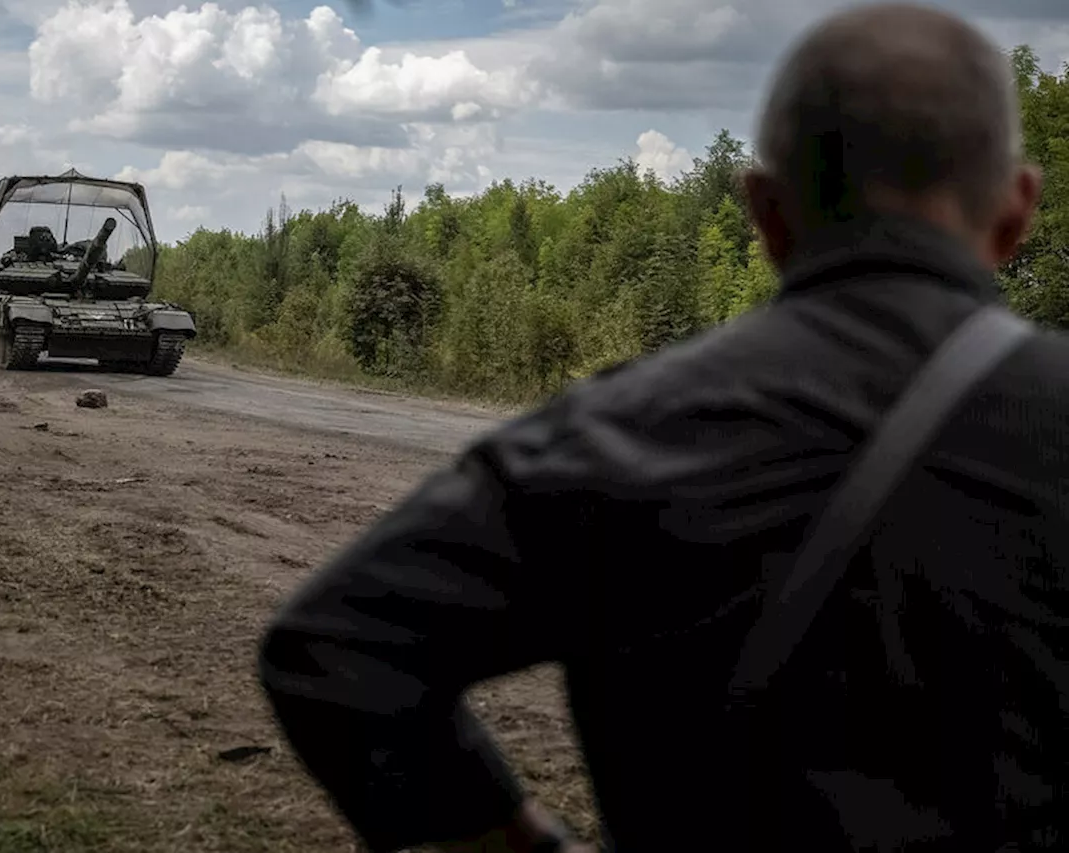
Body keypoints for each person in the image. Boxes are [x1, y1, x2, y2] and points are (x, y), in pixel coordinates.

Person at [259, 3, 1065, 850]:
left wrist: (521, 839)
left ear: (765, 212)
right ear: (1017, 210)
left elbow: (337, 647)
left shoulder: (615, 428)